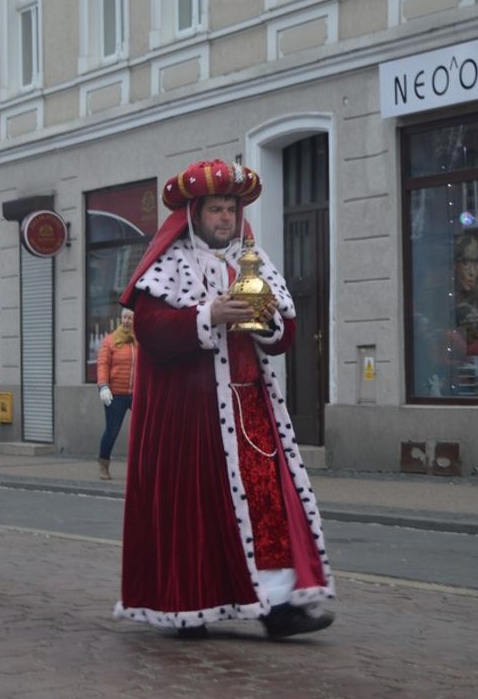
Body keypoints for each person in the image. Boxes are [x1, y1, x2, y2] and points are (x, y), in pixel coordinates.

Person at [114, 159, 335, 640]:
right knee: (193, 510)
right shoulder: (168, 264)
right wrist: (208, 313)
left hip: (251, 410)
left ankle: (277, 605)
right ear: (194, 213)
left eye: (231, 210)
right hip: (189, 417)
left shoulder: (252, 262)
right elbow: (152, 331)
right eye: (216, 209)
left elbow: (283, 335)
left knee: (267, 507)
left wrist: (267, 320)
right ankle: (190, 604)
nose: (226, 219)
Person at [95, 307, 136, 480]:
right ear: (121, 319)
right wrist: (103, 386)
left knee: (143, 431)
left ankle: (143, 468)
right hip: (115, 395)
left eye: (130, 318)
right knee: (112, 431)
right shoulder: (111, 340)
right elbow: (103, 364)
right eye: (125, 317)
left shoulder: (139, 341)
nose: (127, 321)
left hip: (136, 394)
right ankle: (103, 465)